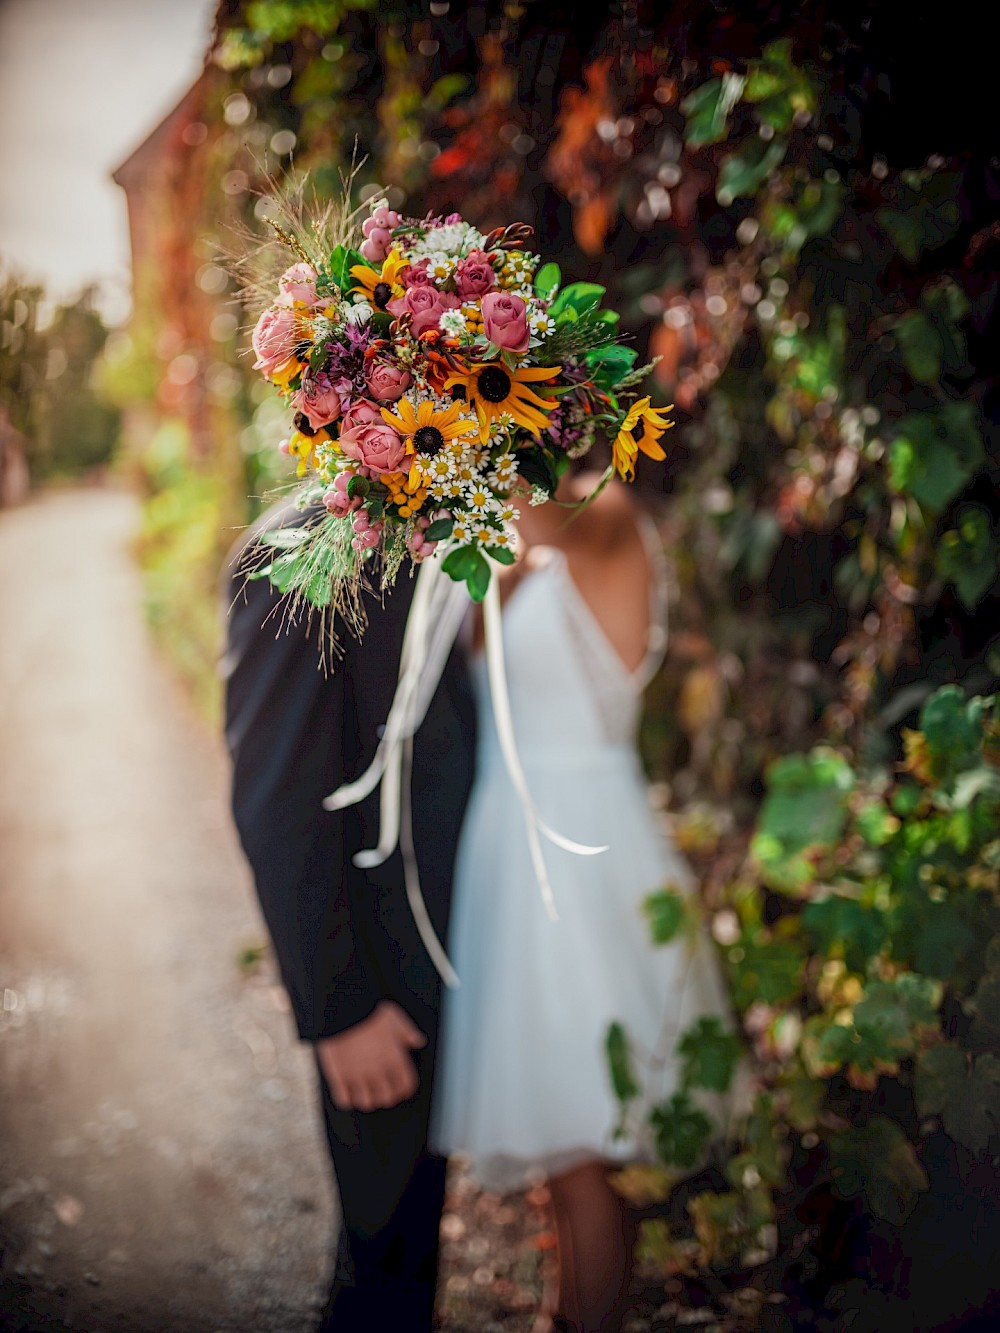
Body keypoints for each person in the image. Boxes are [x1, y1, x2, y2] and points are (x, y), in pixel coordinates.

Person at [432, 471, 735, 1333]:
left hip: (579, 854)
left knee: (581, 1150)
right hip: (514, 853)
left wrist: (450, 396)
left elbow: (526, 509)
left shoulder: (602, 520)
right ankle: (567, 1312)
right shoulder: (533, 548)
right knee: (559, 1146)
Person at [222, 500, 476, 1333]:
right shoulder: (297, 553)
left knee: (412, 1261)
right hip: (380, 981)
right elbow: (277, 803)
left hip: (470, 955)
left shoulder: (471, 526)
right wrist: (338, 1008)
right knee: (384, 1274)